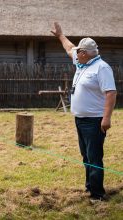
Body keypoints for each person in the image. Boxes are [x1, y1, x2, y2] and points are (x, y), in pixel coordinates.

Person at [51, 22, 117, 201]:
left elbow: (111, 93)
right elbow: (69, 48)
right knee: (86, 155)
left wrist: (106, 118)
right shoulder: (83, 63)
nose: (75, 53)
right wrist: (60, 35)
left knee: (94, 157)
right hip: (80, 119)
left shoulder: (101, 68)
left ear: (85, 54)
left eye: (79, 52)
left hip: (94, 121)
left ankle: (97, 195)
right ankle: (90, 187)